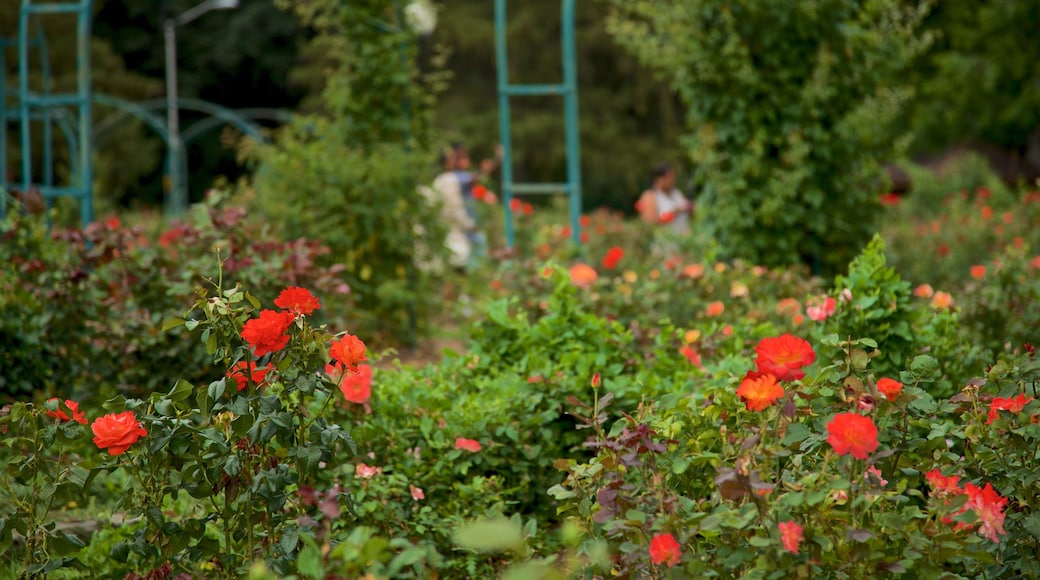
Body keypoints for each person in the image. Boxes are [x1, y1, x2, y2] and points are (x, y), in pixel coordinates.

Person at [636, 163, 692, 236]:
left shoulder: (677, 193)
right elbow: (649, 223)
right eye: (669, 177)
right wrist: (674, 212)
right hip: (663, 243)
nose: (673, 180)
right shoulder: (650, 196)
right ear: (659, 179)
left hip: (682, 240)